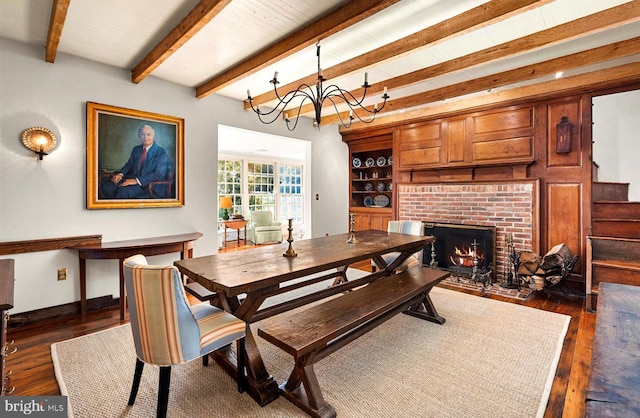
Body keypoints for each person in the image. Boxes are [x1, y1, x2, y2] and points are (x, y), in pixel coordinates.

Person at [100, 125, 173, 199]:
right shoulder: (136, 149)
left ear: (154, 136)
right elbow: (129, 164)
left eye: (148, 134)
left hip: (148, 185)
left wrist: (136, 181)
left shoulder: (161, 152)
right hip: (131, 179)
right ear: (139, 136)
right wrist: (120, 174)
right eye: (142, 134)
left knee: (123, 191)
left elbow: (159, 174)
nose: (145, 137)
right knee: (107, 186)